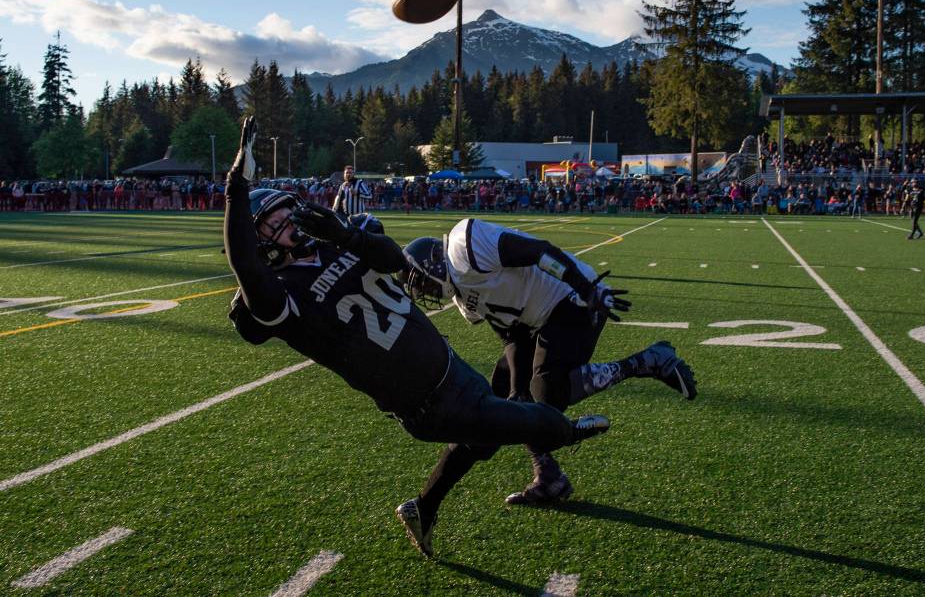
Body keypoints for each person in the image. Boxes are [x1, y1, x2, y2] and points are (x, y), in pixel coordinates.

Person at [222, 118, 611, 558]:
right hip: (425, 400)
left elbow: (392, 260)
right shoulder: (279, 297)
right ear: (260, 245)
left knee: (481, 443)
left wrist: (346, 235)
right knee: (540, 423)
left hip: (448, 365)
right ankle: (569, 430)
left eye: (286, 212)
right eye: (275, 221)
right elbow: (247, 267)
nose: (290, 221)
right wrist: (237, 186)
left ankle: (422, 508)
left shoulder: (327, 244)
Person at [401, 218, 696, 509]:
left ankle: (646, 361)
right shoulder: (466, 302)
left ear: (433, 261)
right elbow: (511, 335)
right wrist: (517, 388)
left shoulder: (464, 246)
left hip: (573, 297)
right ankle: (548, 476)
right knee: (504, 395)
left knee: (547, 392)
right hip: (538, 320)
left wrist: (584, 287)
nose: (424, 291)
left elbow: (538, 251)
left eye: (421, 281)